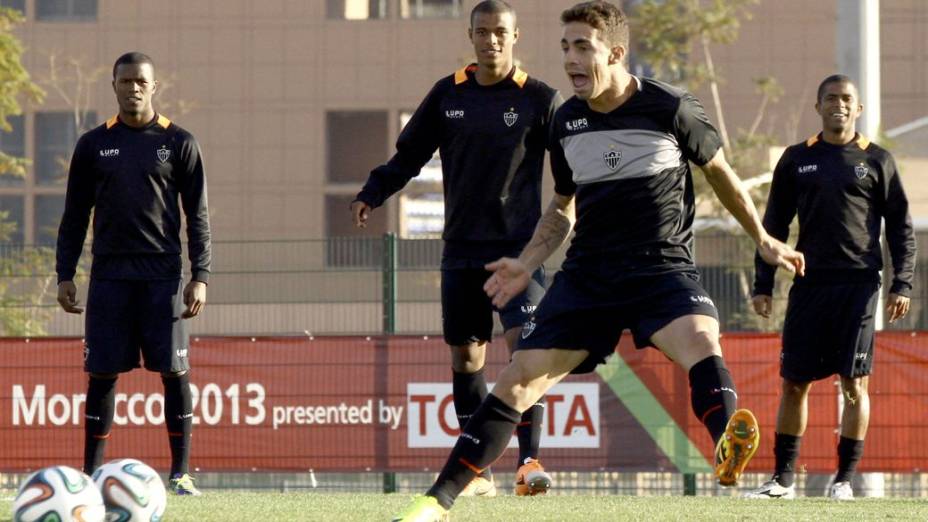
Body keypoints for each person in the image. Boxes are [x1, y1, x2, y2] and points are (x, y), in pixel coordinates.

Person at [393, 1, 805, 519]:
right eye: (565, 47)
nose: (570, 59)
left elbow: (721, 173)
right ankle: (436, 500)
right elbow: (562, 208)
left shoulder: (671, 108)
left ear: (614, 52)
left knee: (702, 338)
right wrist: (526, 262)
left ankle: (728, 442)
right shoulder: (566, 121)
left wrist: (762, 238)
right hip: (589, 277)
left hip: (661, 269)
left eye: (582, 47)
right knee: (520, 376)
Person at [351, 0, 561, 499]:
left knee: (526, 354)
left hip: (519, 253)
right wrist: (372, 193)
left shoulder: (539, 98)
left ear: (516, 36)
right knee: (467, 359)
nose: (491, 40)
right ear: (471, 36)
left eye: (500, 32)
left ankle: (530, 463)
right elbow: (409, 154)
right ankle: (478, 474)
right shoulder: (448, 95)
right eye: (482, 32)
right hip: (462, 250)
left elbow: (574, 163)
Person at [745, 75, 916, 500]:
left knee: (854, 384)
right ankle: (783, 480)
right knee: (793, 383)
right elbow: (773, 227)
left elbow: (900, 228)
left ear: (858, 109)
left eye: (846, 100)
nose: (838, 105)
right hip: (807, 283)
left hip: (858, 285)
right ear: (818, 107)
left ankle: (844, 481)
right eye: (831, 99)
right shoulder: (796, 159)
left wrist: (903, 283)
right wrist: (762, 283)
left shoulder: (878, 160)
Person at [56, 51, 210, 496]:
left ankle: (180, 473)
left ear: (153, 86)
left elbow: (197, 216)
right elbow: (74, 216)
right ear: (115, 86)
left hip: (163, 278)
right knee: (102, 375)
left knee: (175, 375)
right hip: (108, 278)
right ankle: (89, 477)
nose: (134, 88)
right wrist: (64, 273)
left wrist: (200, 274)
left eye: (141, 81)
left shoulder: (180, 142)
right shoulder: (92, 144)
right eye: (125, 81)